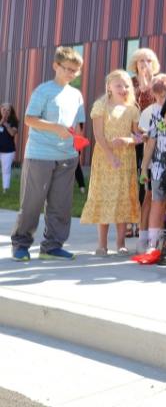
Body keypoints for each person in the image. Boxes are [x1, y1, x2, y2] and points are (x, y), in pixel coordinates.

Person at [11, 46, 85, 261]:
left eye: (75, 70)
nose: (71, 74)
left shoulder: (76, 94)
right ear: (55, 66)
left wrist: (78, 149)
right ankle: (21, 245)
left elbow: (78, 126)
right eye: (68, 69)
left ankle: (52, 246)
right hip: (40, 155)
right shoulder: (43, 90)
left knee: (61, 205)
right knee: (32, 203)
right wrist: (55, 127)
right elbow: (29, 119)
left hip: (67, 157)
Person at [81, 70, 142, 255]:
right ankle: (102, 244)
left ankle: (121, 243)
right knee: (105, 198)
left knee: (122, 199)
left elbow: (140, 136)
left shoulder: (132, 108)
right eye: (118, 85)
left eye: (126, 86)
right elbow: (98, 135)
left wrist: (128, 141)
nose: (123, 89)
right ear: (109, 86)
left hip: (125, 159)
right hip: (105, 159)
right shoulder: (101, 106)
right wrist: (110, 155)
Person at [138, 74, 166, 259]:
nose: (162, 99)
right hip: (158, 166)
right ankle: (153, 243)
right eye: (159, 96)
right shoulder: (153, 112)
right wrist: (144, 166)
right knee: (157, 201)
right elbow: (151, 141)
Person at [128, 48, 161, 239]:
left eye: (148, 60)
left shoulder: (159, 82)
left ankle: (147, 225)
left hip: (154, 140)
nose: (144, 63)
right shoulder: (130, 84)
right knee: (134, 183)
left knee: (148, 183)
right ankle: (134, 223)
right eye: (140, 60)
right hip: (133, 139)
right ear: (135, 63)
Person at [0, 103, 19, 192]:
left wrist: (6, 124)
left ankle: (5, 189)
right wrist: (1, 122)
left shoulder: (14, 121)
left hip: (8, 151)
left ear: (11, 111)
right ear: (1, 110)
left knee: (6, 170)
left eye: (8, 110)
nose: (6, 112)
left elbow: (12, 133)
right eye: (4, 110)